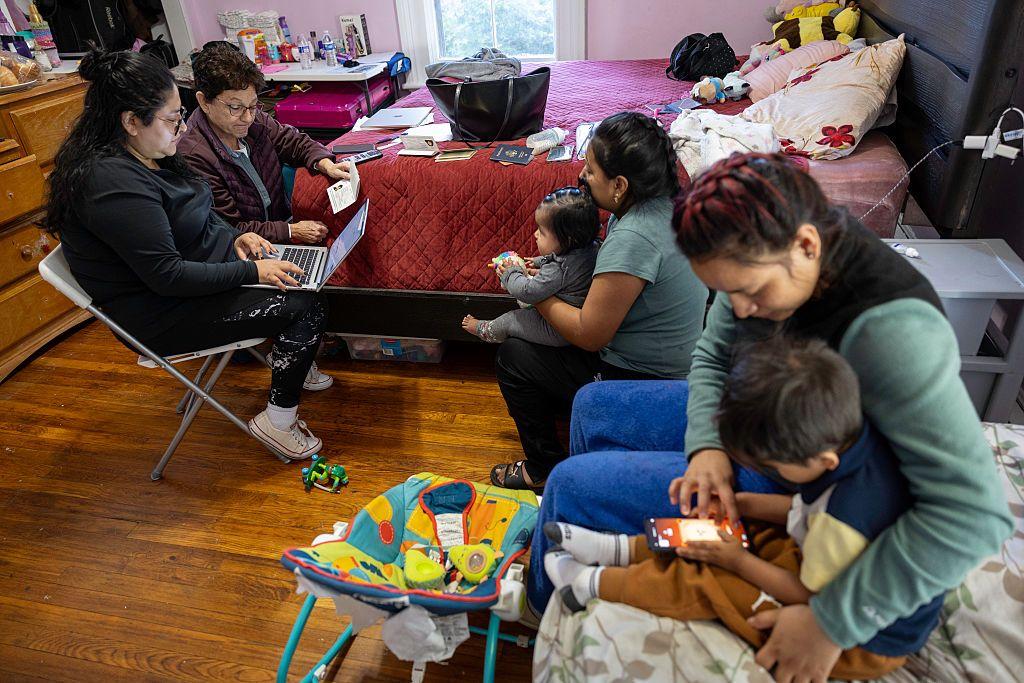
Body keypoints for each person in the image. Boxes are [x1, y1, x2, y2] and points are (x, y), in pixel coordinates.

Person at [526, 153, 1012, 681]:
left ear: (806, 246)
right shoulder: (775, 254)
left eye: (750, 293)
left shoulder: (894, 335)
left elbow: (975, 515)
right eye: (724, 292)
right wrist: (706, 446)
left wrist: (830, 623)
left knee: (573, 487)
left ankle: (540, 607)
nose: (736, 312)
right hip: (762, 417)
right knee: (593, 406)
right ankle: (592, 561)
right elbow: (713, 354)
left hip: (806, 462)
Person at [543, 337, 943, 680]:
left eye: (773, 462)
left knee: (715, 583)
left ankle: (590, 584)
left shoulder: (845, 520)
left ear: (823, 460)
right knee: (726, 530)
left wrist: (737, 562)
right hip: (826, 563)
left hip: (860, 635)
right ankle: (622, 550)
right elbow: (799, 508)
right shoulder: (848, 445)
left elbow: (807, 594)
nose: (763, 468)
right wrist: (741, 503)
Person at [48, 48, 333, 461]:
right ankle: (278, 421)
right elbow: (168, 277)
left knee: (302, 279)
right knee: (305, 303)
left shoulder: (150, 155)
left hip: (193, 277)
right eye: (171, 119)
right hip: (160, 313)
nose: (181, 128)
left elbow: (199, 211)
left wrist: (235, 239)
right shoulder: (111, 183)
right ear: (130, 121)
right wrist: (248, 270)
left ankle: (292, 358)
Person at [489, 112, 709, 491]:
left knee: (514, 355)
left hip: (648, 379)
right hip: (681, 358)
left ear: (620, 185)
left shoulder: (634, 237)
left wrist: (535, 290)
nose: (582, 178)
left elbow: (589, 335)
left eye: (591, 171)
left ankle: (542, 467)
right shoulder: (665, 206)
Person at [178, 42, 351, 245]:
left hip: (279, 224)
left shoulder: (254, 119)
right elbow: (231, 227)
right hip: (249, 247)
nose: (248, 117)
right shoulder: (194, 155)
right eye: (235, 107)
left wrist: (324, 162)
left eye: (253, 105)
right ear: (204, 102)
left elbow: (293, 141)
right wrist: (289, 231)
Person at [462, 186, 601, 346]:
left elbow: (527, 291)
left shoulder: (559, 269)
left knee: (512, 319)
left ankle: (484, 329)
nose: (535, 234)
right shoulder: (589, 247)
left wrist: (511, 273)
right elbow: (562, 260)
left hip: (556, 329)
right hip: (572, 313)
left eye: (541, 232)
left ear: (567, 239)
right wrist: (540, 262)